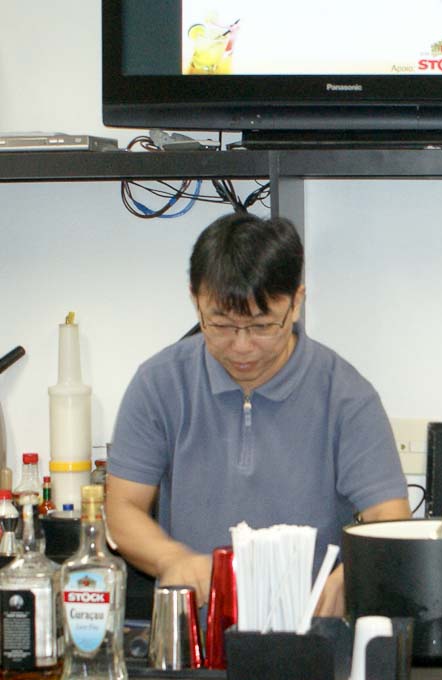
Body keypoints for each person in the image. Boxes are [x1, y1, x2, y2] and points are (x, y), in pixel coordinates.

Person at [107, 212, 410, 616]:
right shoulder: (160, 383)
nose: (242, 347)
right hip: (198, 632)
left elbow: (389, 517)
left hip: (309, 631)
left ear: (296, 302)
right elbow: (123, 507)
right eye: (220, 325)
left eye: (263, 326)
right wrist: (172, 559)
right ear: (195, 299)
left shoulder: (346, 396)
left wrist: (351, 575)